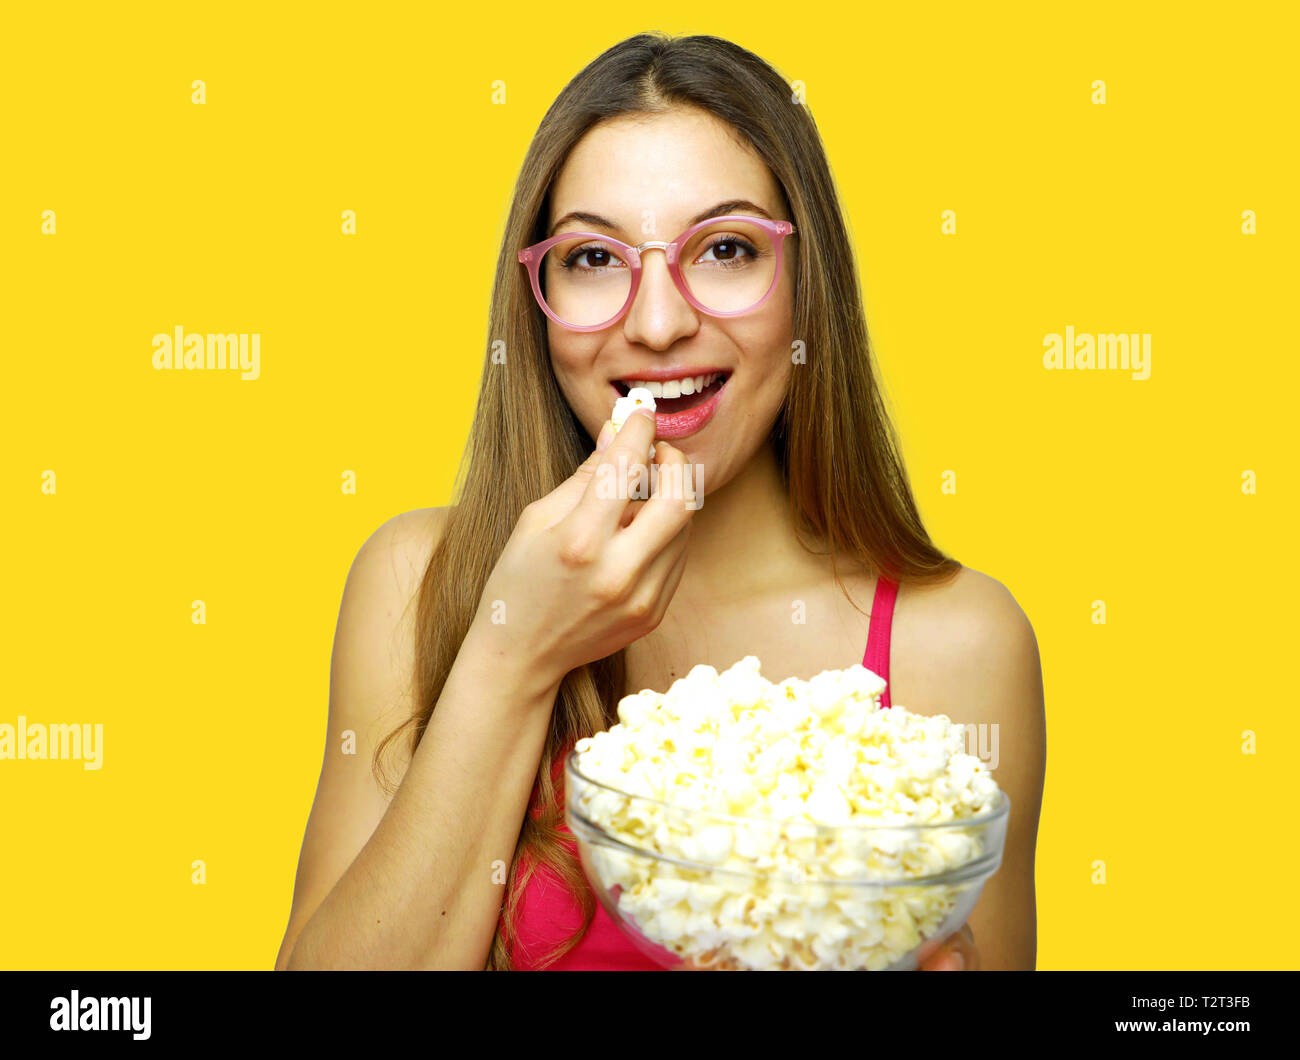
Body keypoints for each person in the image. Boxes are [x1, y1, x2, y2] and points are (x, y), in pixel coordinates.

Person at [274, 32, 1046, 972]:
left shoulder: (957, 642)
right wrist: (515, 654)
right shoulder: (414, 582)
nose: (657, 321)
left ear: (810, 288)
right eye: (594, 259)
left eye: (725, 249)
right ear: (537, 300)